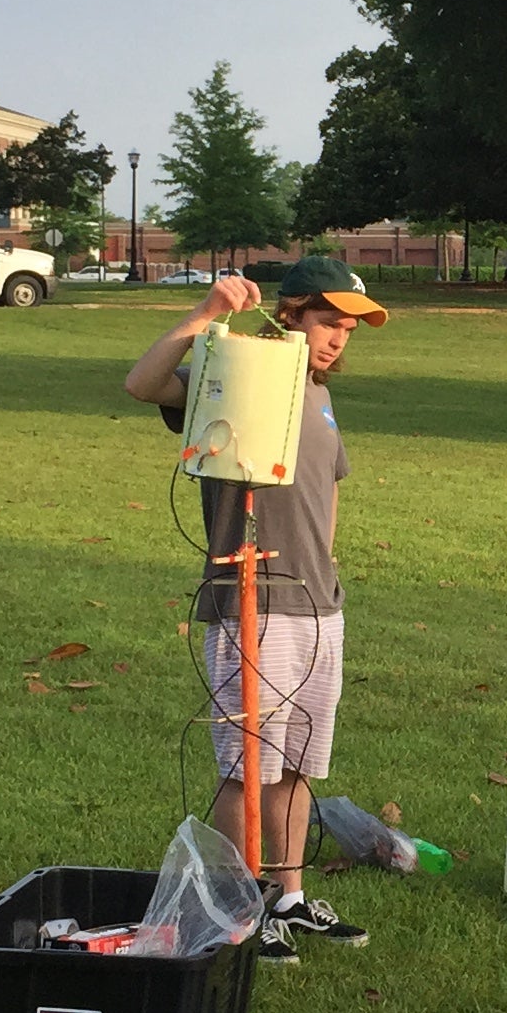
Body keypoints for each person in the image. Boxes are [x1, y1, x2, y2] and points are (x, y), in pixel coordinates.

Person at [121, 254, 387, 967]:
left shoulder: (320, 395)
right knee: (248, 768)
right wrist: (208, 313)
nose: (338, 339)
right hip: (251, 603)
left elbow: (327, 493)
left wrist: (327, 581)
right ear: (290, 312)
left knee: (298, 764)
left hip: (317, 605)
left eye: (349, 330)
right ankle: (243, 911)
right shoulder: (230, 373)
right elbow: (142, 382)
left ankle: (289, 899)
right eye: (328, 322)